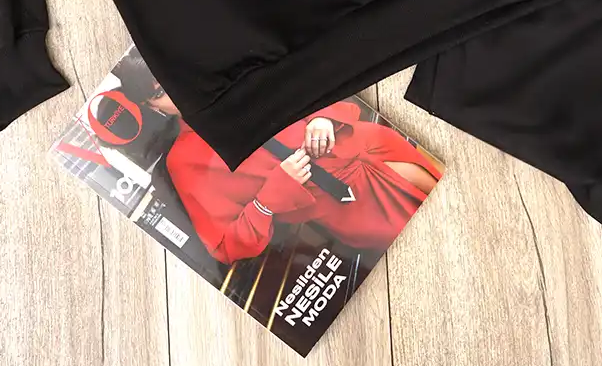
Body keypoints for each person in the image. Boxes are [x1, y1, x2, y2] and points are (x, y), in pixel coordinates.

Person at [141, 83, 439, 264]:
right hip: (347, 207)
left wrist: (323, 117)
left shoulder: (235, 76)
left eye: (171, 78)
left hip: (374, 141)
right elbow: (224, 246)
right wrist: (269, 199)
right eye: (159, 92)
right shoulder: (184, 161)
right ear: (151, 106)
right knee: (434, 244)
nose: (175, 90)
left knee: (452, 199)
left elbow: (314, 81)